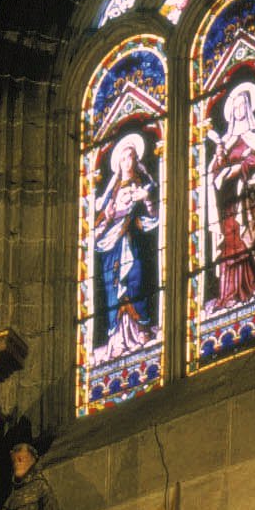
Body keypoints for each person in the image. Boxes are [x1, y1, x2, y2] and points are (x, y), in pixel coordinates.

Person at [92, 131, 159, 360]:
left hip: (134, 239)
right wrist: (109, 216)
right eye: (122, 158)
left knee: (135, 281)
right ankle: (118, 339)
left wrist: (145, 199)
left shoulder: (144, 185)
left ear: (136, 159)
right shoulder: (111, 194)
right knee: (114, 290)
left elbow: (153, 215)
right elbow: (100, 225)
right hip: (113, 247)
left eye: (130, 157)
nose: (126, 162)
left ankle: (140, 330)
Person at [207, 78, 255, 308]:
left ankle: (249, 284)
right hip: (227, 201)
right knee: (230, 241)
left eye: (243, 105)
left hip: (246, 197)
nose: (239, 110)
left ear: (249, 108)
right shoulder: (227, 142)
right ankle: (228, 293)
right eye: (235, 107)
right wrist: (219, 160)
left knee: (245, 238)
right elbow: (214, 171)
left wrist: (241, 167)